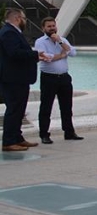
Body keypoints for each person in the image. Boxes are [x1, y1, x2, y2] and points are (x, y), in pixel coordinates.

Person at [33, 17, 82, 145]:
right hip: (49, 78)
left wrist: (60, 42)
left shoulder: (62, 40)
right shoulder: (40, 41)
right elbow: (45, 57)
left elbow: (73, 53)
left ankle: (69, 132)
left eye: (53, 26)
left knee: (66, 107)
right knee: (46, 107)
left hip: (64, 78)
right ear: (43, 28)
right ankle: (44, 134)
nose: (52, 28)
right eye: (49, 26)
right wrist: (61, 55)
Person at [1, 9, 44, 152]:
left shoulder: (11, 32)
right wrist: (35, 54)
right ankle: (8, 141)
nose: (25, 21)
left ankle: (17, 138)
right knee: (14, 109)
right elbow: (14, 53)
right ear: (18, 18)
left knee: (19, 109)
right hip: (13, 79)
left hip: (18, 78)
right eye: (24, 18)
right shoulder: (9, 32)